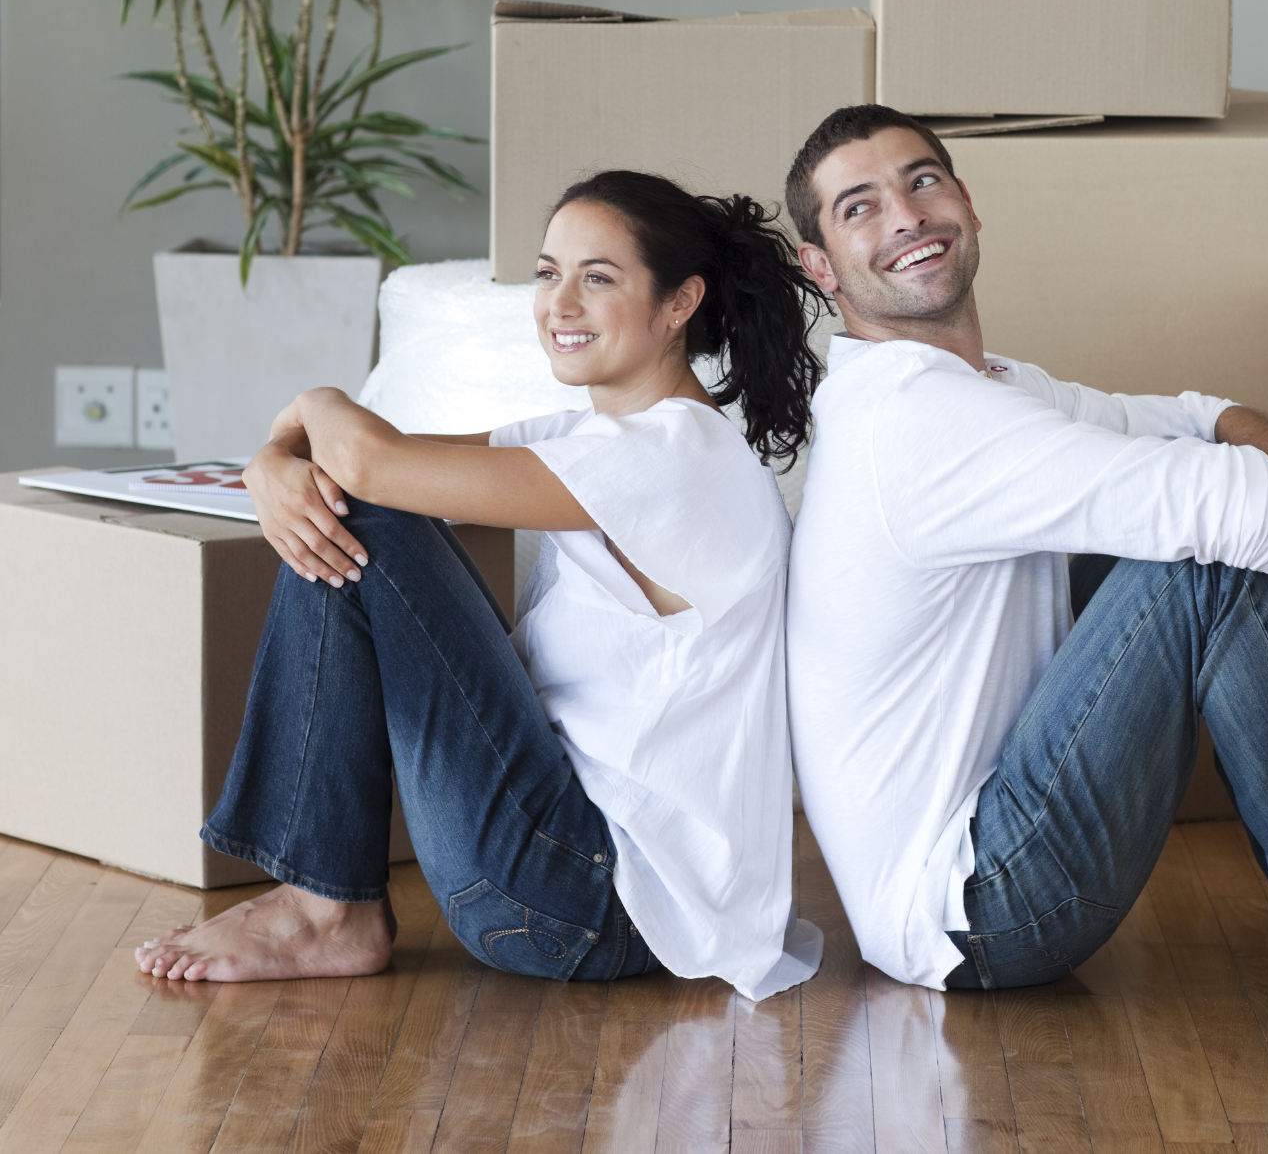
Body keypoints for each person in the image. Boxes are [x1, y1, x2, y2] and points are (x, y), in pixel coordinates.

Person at [782, 104, 1268, 993]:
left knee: (1192, 511)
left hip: (977, 863)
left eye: (921, 181)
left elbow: (1196, 420)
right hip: (981, 908)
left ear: (967, 204)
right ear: (822, 266)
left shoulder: (980, 387)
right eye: (859, 206)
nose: (905, 216)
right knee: (1207, 563)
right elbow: (1238, 510)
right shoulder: (917, 420)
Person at [135, 171, 826, 1001]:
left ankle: (324, 910)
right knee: (363, 500)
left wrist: (316, 402)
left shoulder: (671, 461)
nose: (559, 304)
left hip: (589, 904)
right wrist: (271, 462)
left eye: (596, 278)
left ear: (678, 303)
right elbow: (359, 452)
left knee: (369, 513)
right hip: (573, 879)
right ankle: (322, 904)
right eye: (547, 273)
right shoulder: (595, 435)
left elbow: (361, 461)